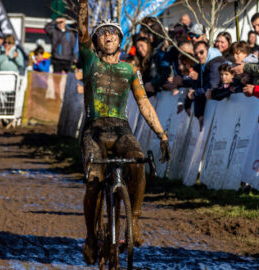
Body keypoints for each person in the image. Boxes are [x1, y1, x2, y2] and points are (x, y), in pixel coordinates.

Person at [77, 0, 171, 265]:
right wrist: (83, 6)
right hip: (93, 132)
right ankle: (90, 237)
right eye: (103, 33)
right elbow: (82, 32)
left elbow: (143, 103)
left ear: (120, 40)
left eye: (113, 33)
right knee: (94, 184)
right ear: (96, 41)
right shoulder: (90, 62)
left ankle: (135, 221)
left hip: (121, 130)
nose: (108, 35)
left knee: (139, 162)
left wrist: (162, 135)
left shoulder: (130, 69)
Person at [187, 41, 225, 130]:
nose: (199, 56)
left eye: (201, 52)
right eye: (196, 55)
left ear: (208, 50)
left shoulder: (215, 65)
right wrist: (199, 114)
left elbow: (212, 88)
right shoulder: (204, 64)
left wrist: (195, 93)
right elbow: (200, 86)